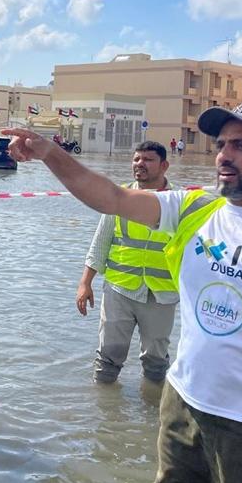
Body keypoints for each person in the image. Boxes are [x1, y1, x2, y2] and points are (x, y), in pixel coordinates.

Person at [2, 100, 242, 483]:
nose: (224, 155)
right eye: (222, 144)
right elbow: (111, 198)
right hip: (183, 406)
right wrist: (48, 153)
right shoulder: (192, 210)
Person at [77, 141, 177, 384]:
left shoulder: (179, 202)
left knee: (156, 361)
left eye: (147, 160)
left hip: (161, 294)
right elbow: (100, 242)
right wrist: (85, 283)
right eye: (136, 159)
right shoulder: (118, 198)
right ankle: (105, 415)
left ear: (164, 165)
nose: (140, 164)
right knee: (108, 357)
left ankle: (152, 410)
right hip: (119, 289)